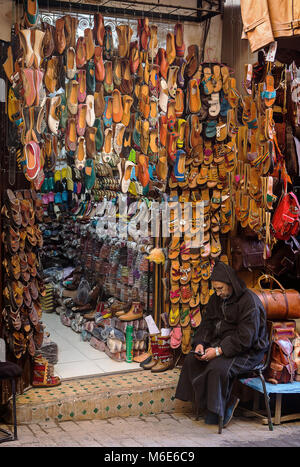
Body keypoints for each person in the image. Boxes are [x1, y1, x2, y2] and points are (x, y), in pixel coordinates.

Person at [175, 260, 269, 427]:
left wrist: (218, 351)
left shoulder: (249, 302)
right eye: (216, 289)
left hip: (249, 351)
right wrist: (200, 344)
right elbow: (207, 324)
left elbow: (246, 338)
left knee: (217, 367)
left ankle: (220, 408)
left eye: (220, 289)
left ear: (230, 284)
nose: (217, 293)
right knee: (192, 359)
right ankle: (206, 406)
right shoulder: (216, 299)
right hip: (223, 343)